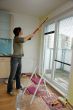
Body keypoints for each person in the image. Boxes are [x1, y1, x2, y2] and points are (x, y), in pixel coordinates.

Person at [7, 27, 34, 95]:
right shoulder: (16, 38)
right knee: (12, 75)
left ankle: (18, 86)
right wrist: (30, 35)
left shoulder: (19, 38)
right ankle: (9, 90)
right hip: (15, 59)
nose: (22, 31)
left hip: (19, 58)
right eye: (21, 30)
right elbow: (24, 39)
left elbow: (26, 39)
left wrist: (32, 35)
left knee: (18, 74)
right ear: (19, 31)